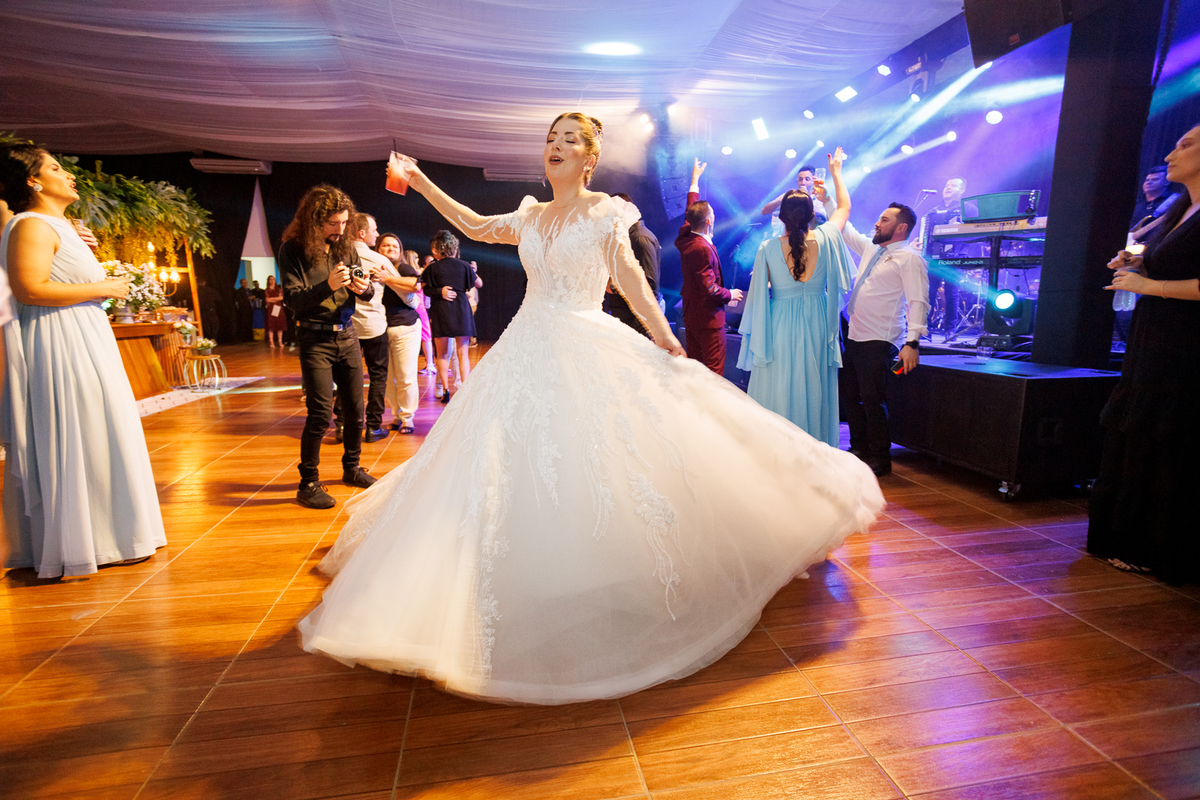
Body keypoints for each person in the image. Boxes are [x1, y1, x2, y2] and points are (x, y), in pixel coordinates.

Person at [298, 112, 883, 705]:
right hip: (526, 346)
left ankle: (601, 574)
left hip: (586, 338)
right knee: (501, 465)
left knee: (608, 457)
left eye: (568, 141)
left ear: (589, 159)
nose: (555, 147)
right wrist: (420, 182)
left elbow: (630, 280)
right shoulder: (528, 215)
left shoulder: (607, 210)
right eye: (550, 140)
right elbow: (471, 224)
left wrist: (665, 338)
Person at [0, 143, 166, 577]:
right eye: (56, 168)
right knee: (81, 431)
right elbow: (29, 289)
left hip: (85, 336)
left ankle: (111, 532)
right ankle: (86, 539)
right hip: (60, 343)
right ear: (33, 181)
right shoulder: (30, 224)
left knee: (101, 431)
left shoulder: (57, 224)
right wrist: (105, 288)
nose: (69, 174)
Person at [1089, 123, 1200, 583]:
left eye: (1187, 145)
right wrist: (1135, 262)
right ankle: (1126, 538)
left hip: (1185, 348)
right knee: (1140, 435)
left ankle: (1158, 547)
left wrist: (1149, 285)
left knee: (1170, 440)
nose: (1173, 153)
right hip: (1154, 340)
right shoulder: (1179, 210)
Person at [737, 148, 854, 446]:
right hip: (817, 322)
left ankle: (778, 450)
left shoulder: (767, 249)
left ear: (781, 217)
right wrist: (837, 172)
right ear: (813, 215)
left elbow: (758, 300)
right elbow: (843, 209)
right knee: (812, 383)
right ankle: (813, 449)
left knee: (780, 384)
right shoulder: (827, 239)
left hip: (779, 325)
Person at [279, 184, 377, 510]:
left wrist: (364, 289)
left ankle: (352, 469)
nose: (340, 230)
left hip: (347, 334)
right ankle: (307, 483)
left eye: (344, 223)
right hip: (314, 337)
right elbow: (293, 301)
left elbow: (364, 290)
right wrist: (327, 285)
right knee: (321, 413)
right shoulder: (292, 250)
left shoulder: (345, 246)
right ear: (314, 220)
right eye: (332, 224)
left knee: (355, 409)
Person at [839, 202, 930, 477]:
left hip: (881, 338)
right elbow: (847, 231)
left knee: (872, 399)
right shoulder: (873, 249)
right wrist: (828, 197)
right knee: (851, 397)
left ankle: (880, 457)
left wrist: (912, 343)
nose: (877, 223)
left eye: (884, 219)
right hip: (854, 334)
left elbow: (918, 301)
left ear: (901, 227)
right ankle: (858, 449)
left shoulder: (909, 258)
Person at [676, 159, 744, 375]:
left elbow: (690, 211)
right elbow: (709, 288)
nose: (714, 216)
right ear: (708, 222)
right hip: (708, 320)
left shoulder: (686, 236)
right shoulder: (702, 247)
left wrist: (694, 181)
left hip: (691, 316)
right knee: (714, 371)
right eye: (712, 214)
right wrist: (729, 294)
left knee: (696, 369)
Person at [346, 213, 391, 442]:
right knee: (378, 376)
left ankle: (343, 425)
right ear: (362, 233)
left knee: (345, 377)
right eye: (374, 229)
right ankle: (373, 427)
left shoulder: (337, 257)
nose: (377, 233)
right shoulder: (378, 259)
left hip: (347, 326)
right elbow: (400, 286)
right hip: (374, 326)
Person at [421, 230, 480, 402]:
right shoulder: (464, 265)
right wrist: (473, 271)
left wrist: (440, 291)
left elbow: (425, 289)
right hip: (461, 309)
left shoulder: (432, 268)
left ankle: (445, 391)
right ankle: (465, 390)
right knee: (463, 353)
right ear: (454, 247)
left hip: (441, 310)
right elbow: (478, 284)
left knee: (442, 354)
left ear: (436, 249)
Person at [375, 233, 422, 434]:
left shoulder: (403, 268)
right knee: (389, 379)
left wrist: (388, 279)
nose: (391, 249)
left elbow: (416, 285)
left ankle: (408, 418)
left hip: (406, 328)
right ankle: (396, 414)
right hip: (380, 330)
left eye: (395, 246)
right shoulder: (372, 270)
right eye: (385, 245)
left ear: (400, 250)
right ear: (378, 249)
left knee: (406, 375)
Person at [603, 192, 660, 337]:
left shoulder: (640, 238)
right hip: (627, 318)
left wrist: (614, 287)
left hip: (637, 323)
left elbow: (649, 284)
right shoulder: (629, 237)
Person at [918, 177, 966, 336]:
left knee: (951, 292)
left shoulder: (966, 209)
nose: (948, 187)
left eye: (953, 185)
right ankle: (926, 326)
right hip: (934, 258)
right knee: (929, 292)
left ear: (962, 191)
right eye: (947, 185)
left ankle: (950, 329)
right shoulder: (933, 211)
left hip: (956, 256)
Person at [761, 164, 827, 228]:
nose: (803, 182)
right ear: (797, 181)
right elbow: (764, 211)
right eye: (800, 179)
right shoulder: (791, 196)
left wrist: (806, 197)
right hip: (791, 236)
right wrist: (779, 201)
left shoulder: (820, 198)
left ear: (813, 181)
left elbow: (822, 221)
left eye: (807, 179)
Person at [407, 249, 437, 375]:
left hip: (416, 307)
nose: (418, 260)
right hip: (417, 307)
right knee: (426, 336)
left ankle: (429, 364)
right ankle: (429, 364)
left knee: (425, 336)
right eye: (416, 258)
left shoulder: (417, 272)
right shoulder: (417, 273)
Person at [263, 275, 286, 347]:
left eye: (273, 279)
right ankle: (271, 342)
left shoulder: (278, 289)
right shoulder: (266, 290)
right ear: (268, 281)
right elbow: (267, 300)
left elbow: (281, 298)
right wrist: (276, 298)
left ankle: (280, 341)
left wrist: (272, 299)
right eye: (270, 279)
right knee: (271, 326)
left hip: (278, 308)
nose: (272, 281)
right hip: (270, 309)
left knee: (280, 325)